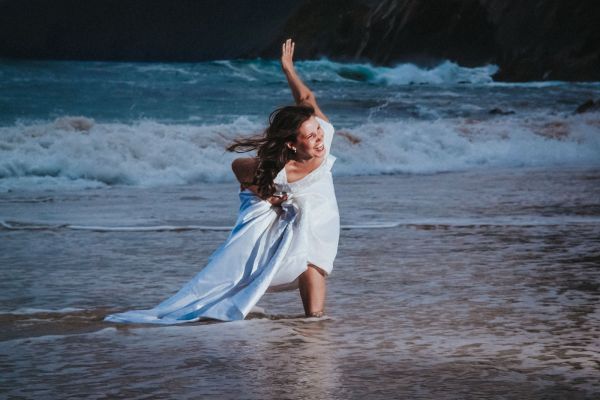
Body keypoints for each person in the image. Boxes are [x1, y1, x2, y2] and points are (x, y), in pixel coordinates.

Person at [105, 39, 339, 324]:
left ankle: (314, 321)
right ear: (291, 144)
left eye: (318, 130)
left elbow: (306, 100)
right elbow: (239, 166)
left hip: (323, 207)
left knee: (315, 262)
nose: (320, 138)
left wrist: (289, 70)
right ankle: (303, 315)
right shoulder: (278, 167)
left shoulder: (323, 133)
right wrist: (264, 193)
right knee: (296, 257)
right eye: (310, 135)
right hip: (291, 212)